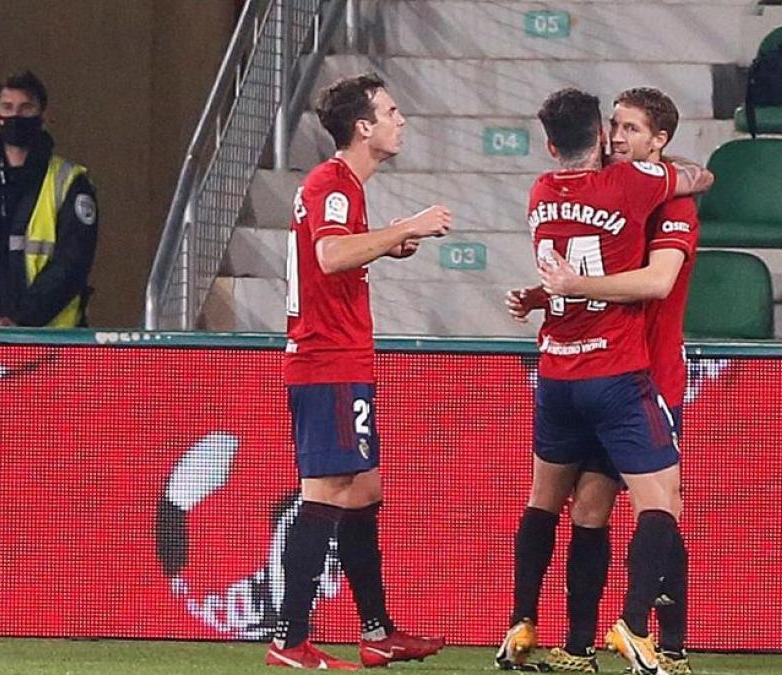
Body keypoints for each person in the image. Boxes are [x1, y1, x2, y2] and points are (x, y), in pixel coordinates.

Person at [495, 87, 712, 675]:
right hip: (605, 369)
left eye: (632, 129)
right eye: (614, 126)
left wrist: (565, 289)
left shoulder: (666, 201)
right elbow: (591, 261)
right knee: (590, 510)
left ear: (658, 141)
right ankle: (580, 645)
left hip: (651, 371)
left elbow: (656, 281)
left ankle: (667, 646)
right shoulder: (623, 191)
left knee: (662, 502)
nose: (619, 138)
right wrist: (546, 295)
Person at [266, 72, 451, 670]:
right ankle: (290, 641)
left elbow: (338, 251)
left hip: (339, 358)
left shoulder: (341, 187)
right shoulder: (334, 182)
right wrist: (406, 227)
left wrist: (383, 241)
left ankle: (377, 631)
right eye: (391, 112)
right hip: (327, 361)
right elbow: (329, 252)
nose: (401, 121)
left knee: (363, 489)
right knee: (324, 492)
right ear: (363, 127)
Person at [0, 70, 98, 330]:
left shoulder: (69, 183)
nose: (15, 115)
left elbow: (71, 263)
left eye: (26, 108)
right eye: (8, 107)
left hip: (53, 340)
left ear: (44, 116)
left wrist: (19, 321)